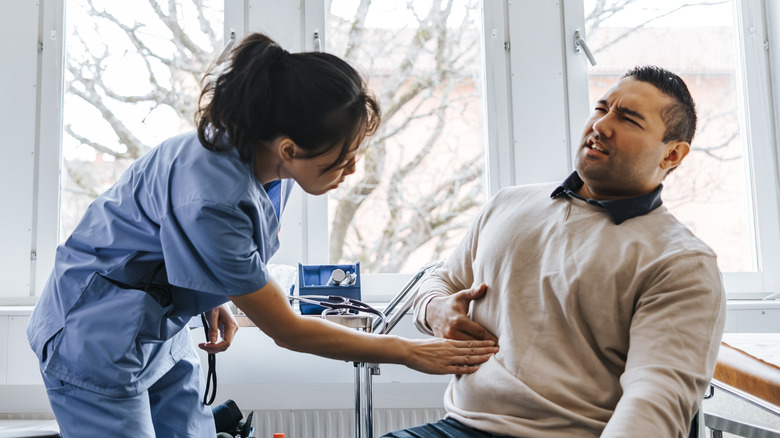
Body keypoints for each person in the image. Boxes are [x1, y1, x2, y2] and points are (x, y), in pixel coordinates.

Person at [27, 32, 498, 438]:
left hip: (155, 328)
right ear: (291, 148)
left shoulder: (264, 157)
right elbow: (287, 330)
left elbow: (168, 233)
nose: (351, 170)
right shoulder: (214, 193)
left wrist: (214, 293)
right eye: (341, 157)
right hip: (94, 338)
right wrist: (410, 352)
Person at [383, 65, 726, 438]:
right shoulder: (509, 203)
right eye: (601, 107)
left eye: (628, 119)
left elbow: (655, 400)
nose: (601, 125)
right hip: (458, 426)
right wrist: (436, 309)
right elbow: (442, 279)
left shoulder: (682, 262)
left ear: (672, 154)